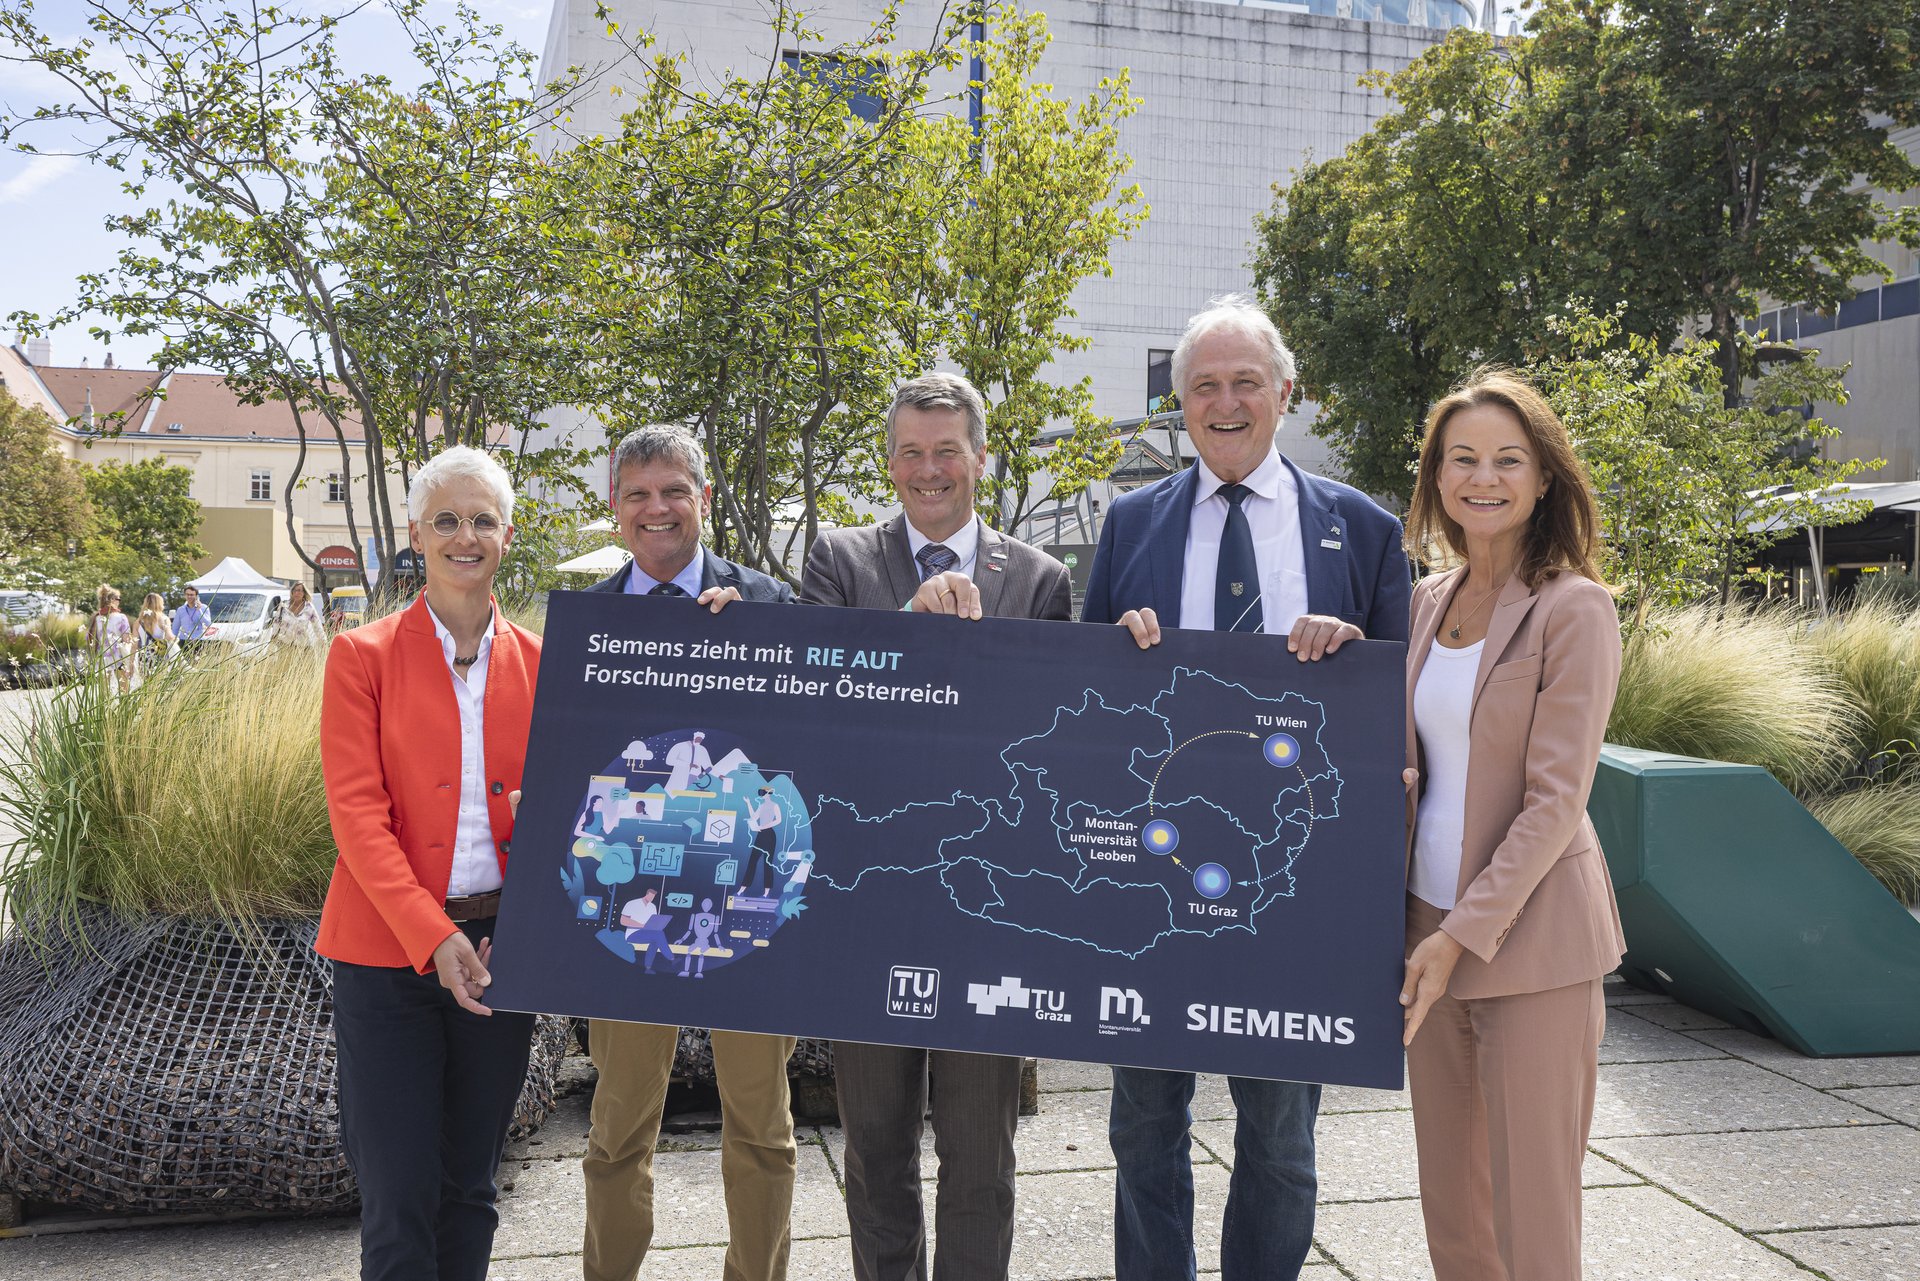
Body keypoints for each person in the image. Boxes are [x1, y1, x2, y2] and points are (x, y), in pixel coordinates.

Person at [1080, 295, 1411, 1281]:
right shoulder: (1131, 523)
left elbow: (1407, 702)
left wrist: (1356, 661)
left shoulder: (1363, 531)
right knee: (1143, 1122)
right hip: (1149, 881)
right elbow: (1081, 702)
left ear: (1285, 394)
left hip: (1293, 887)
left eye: (1245, 384)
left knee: (1279, 1136)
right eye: (1204, 387)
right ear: (1180, 403)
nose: (1225, 404)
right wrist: (1113, 657)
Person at [801, 371, 1071, 1281]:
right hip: (868, 905)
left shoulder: (1040, 580)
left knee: (981, 1161)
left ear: (980, 457)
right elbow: (817, 712)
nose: (928, 470)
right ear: (889, 461)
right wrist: (905, 632)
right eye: (910, 452)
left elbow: (1058, 748)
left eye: (945, 450)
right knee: (874, 1151)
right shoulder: (838, 561)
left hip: (992, 915)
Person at [1398, 370, 1625, 1281]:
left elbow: (1555, 799)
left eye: (1506, 459)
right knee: (1454, 1209)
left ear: (1542, 477)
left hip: (1529, 945)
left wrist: (1459, 935)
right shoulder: (1424, 602)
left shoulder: (1575, 608)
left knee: (1533, 1217)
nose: (1481, 477)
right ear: (1436, 478)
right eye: (1462, 459)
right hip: (1424, 932)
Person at [580, 424, 799, 1281]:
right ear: (615, 509)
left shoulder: (770, 603)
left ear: (702, 499)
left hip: (744, 895)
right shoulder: (590, 620)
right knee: (616, 1128)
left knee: (763, 1128)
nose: (656, 508)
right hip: (632, 909)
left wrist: (753, 649)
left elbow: (807, 751)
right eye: (637, 494)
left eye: (673, 490)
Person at [316, 445, 540, 1281]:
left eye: (482, 519)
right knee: (399, 1198)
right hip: (387, 960)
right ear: (416, 533)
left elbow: (563, 820)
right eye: (446, 519)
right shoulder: (361, 657)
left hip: (499, 960)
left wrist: (521, 933)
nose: (465, 536)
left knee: (471, 1190)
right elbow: (358, 820)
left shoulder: (545, 663)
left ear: (507, 535)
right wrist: (432, 934)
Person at [89, 585, 135, 694]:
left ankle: (105, 711)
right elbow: (126, 639)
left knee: (103, 693)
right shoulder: (121, 618)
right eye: (118, 599)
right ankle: (124, 710)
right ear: (113, 600)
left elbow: (90, 639)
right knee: (124, 690)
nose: (119, 601)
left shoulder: (96, 618)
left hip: (102, 659)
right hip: (119, 658)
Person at [740, 786, 782, 897]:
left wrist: (764, 826)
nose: (762, 795)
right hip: (760, 834)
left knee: (767, 863)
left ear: (768, 793)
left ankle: (767, 891)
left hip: (769, 835)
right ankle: (743, 888)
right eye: (761, 793)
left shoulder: (775, 805)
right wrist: (748, 803)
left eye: (763, 793)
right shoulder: (761, 806)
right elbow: (754, 817)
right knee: (752, 861)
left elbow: (778, 820)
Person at [272, 580, 326, 648]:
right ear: (292, 592)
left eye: (300, 590)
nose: (297, 593)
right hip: (284, 646)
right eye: (295, 590)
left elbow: (317, 626)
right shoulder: (283, 606)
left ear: (304, 593)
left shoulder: (309, 607)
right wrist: (273, 637)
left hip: (303, 647)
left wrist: (323, 641)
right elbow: (276, 623)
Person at [135, 591, 174, 678]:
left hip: (143, 658)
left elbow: (134, 645)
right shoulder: (163, 619)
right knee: (159, 685)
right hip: (159, 656)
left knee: (146, 686)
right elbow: (170, 637)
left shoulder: (138, 622)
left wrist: (130, 664)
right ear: (160, 604)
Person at [172, 585, 212, 656]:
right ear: (184, 596)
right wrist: (172, 642)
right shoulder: (181, 610)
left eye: (192, 595)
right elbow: (175, 627)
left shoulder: (204, 608)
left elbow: (208, 623)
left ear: (196, 596)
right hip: (183, 641)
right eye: (187, 594)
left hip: (199, 641)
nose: (189, 597)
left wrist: (199, 610)